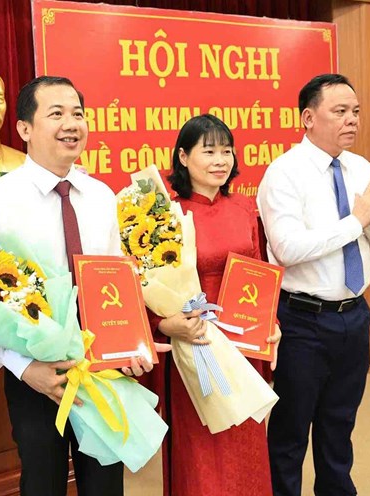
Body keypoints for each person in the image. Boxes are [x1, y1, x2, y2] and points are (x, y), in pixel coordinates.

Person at [0, 76, 156, 496]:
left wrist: (132, 345)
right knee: (43, 483)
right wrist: (25, 369)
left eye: (78, 113)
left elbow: (116, 286)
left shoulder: (102, 196)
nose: (72, 123)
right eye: (56, 114)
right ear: (24, 129)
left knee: (106, 483)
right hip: (36, 374)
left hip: (103, 371)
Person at [257, 74, 370, 496]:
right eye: (339, 111)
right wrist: (354, 220)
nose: (352, 120)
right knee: (290, 434)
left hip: (354, 316)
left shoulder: (362, 168)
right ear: (308, 117)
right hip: (302, 321)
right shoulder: (284, 173)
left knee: (339, 427)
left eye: (355, 111)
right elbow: (287, 249)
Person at [149, 114, 280, 496]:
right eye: (209, 151)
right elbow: (148, 286)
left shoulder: (243, 207)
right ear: (183, 156)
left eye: (226, 151)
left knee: (247, 441)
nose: (221, 160)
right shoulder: (164, 215)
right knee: (202, 450)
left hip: (244, 341)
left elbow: (260, 270)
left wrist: (272, 322)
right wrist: (164, 322)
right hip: (197, 343)